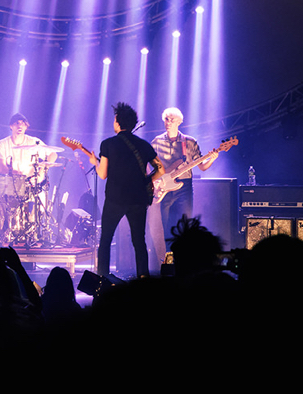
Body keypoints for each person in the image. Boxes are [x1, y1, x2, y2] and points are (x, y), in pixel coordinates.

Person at [88, 102, 163, 278]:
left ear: (117, 121)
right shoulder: (144, 145)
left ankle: (102, 280)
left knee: (105, 240)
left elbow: (103, 174)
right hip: (138, 200)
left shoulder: (108, 144)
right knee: (139, 241)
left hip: (115, 199)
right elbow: (161, 169)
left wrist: (95, 163)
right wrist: (147, 180)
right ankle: (143, 280)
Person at [151, 107, 217, 247]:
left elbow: (202, 166)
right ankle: (170, 259)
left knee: (184, 227)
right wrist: (153, 182)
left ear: (179, 122)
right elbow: (147, 164)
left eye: (172, 120)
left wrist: (212, 158)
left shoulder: (190, 142)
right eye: (166, 119)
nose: (168, 122)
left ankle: (184, 261)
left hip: (184, 188)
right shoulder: (157, 142)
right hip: (164, 188)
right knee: (167, 227)